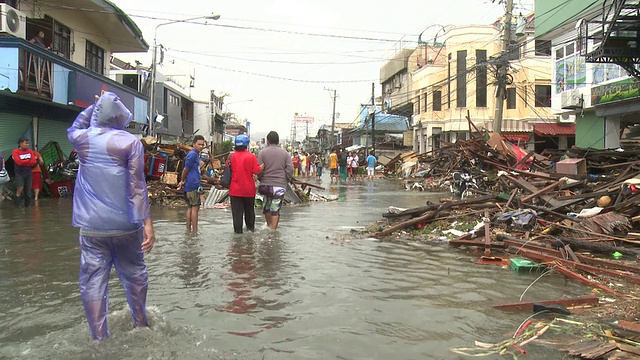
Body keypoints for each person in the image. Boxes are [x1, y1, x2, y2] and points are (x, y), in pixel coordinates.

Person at [67, 92, 155, 341]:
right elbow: (137, 186)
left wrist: (93, 106)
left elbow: (75, 125)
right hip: (126, 226)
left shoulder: (82, 139)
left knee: (92, 281)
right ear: (119, 116)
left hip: (92, 228)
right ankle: (140, 324)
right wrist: (147, 223)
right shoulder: (129, 142)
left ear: (98, 114)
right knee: (135, 274)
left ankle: (99, 338)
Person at [257, 131, 293, 230]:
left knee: (267, 208)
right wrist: (286, 180)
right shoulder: (285, 153)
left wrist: (260, 178)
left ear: (267, 141)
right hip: (279, 186)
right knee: (275, 209)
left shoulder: (262, 153)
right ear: (277, 141)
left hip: (265, 185)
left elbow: (258, 169)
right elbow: (290, 169)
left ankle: (269, 227)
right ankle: (273, 230)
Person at [228, 134, 262, 234]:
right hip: (248, 190)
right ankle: (250, 231)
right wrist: (262, 167)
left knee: (237, 214)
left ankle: (237, 233)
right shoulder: (251, 157)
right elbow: (256, 171)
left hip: (235, 190)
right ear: (246, 144)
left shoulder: (231, 156)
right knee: (249, 213)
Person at [178, 135, 206, 232]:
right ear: (194, 144)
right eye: (199, 144)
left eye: (203, 145)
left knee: (190, 208)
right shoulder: (193, 154)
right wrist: (182, 181)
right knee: (195, 209)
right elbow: (186, 169)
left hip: (190, 185)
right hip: (193, 185)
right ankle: (195, 231)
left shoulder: (194, 154)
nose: (201, 146)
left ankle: (188, 231)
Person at [12, 138, 39, 207]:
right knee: (20, 189)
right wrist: (28, 161)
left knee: (28, 191)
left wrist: (25, 162)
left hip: (29, 173)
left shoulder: (30, 151)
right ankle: (17, 206)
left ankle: (27, 206)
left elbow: (34, 161)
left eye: (28, 143)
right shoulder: (15, 151)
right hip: (19, 173)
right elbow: (19, 162)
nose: (27, 145)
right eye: (25, 143)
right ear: (20, 144)